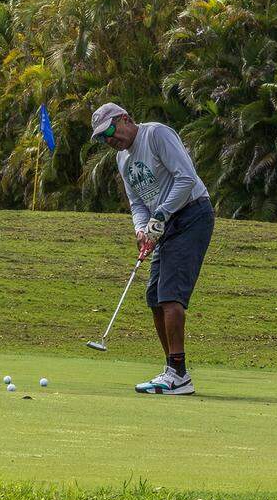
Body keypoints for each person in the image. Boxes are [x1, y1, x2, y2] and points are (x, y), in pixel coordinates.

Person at [90, 102, 214, 395]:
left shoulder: (156, 134)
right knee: (155, 297)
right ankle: (173, 370)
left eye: (109, 131)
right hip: (164, 224)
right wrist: (142, 229)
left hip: (191, 214)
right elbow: (137, 202)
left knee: (171, 296)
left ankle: (179, 375)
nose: (109, 140)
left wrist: (160, 216)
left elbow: (186, 178)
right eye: (101, 138)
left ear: (126, 118)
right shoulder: (122, 159)